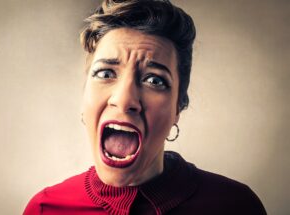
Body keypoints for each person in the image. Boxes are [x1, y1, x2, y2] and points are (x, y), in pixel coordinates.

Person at [23, 0, 266, 214]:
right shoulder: (45, 209)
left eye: (154, 80)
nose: (125, 99)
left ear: (178, 108)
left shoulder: (236, 206)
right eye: (106, 73)